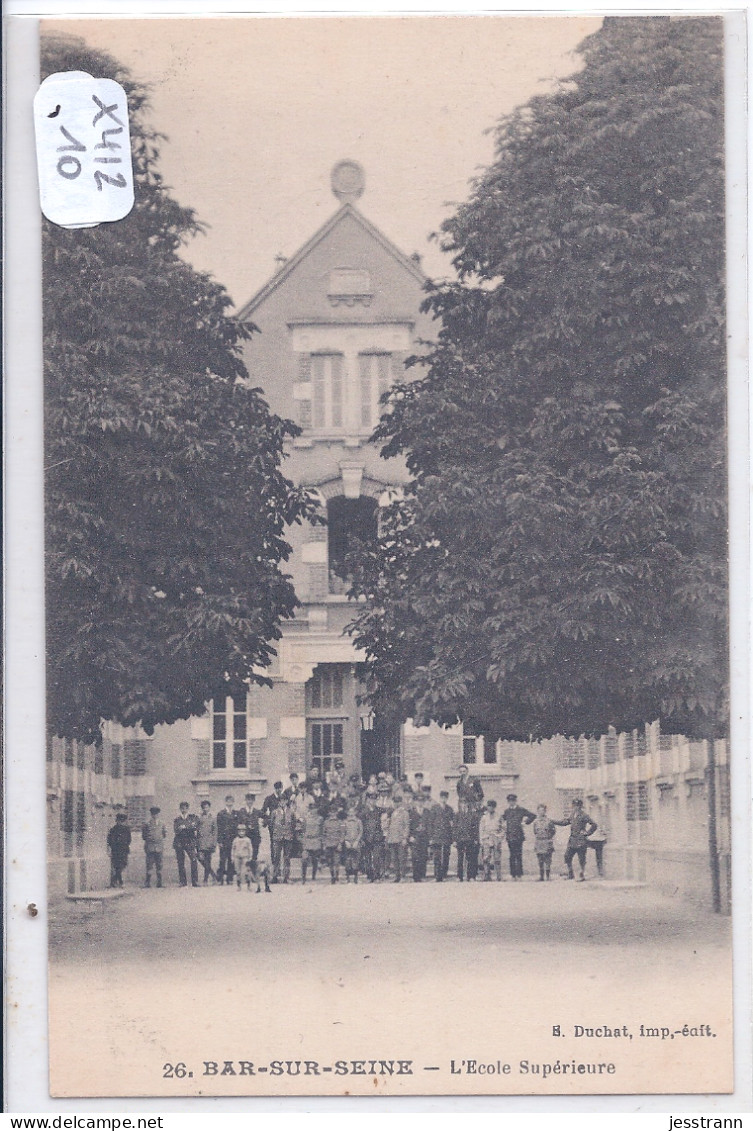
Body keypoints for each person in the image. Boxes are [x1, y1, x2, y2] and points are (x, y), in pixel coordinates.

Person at [557, 799, 598, 881]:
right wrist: (554, 822)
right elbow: (565, 822)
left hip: (581, 840)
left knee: (581, 858)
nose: (576, 808)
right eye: (574, 806)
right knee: (567, 856)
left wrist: (587, 833)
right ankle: (570, 873)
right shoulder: (572, 814)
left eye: (577, 806)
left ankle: (582, 875)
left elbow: (594, 825)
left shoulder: (584, 815)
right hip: (572, 840)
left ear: (580, 806)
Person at [502, 793, 536, 880]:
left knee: (518, 855)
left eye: (513, 801)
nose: (511, 802)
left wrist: (525, 822)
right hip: (510, 836)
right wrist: (503, 826)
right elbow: (502, 819)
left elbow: (532, 816)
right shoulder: (506, 811)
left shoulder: (521, 810)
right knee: (512, 855)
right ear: (508, 802)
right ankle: (513, 875)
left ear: (515, 801)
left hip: (519, 836)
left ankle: (519, 874)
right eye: (510, 801)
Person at [429, 790, 454, 882]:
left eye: (445, 798)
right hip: (436, 836)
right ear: (440, 798)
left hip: (447, 836)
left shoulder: (450, 809)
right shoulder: (434, 808)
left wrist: (452, 837)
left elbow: (452, 824)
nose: (444, 799)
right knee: (437, 856)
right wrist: (431, 837)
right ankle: (437, 875)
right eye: (442, 797)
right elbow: (431, 823)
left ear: (447, 798)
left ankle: (444, 874)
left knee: (446, 855)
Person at [173, 801, 199, 887]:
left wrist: (184, 827)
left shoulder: (192, 817)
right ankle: (183, 881)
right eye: (182, 808)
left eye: (185, 808)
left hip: (189, 841)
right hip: (179, 842)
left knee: (194, 860)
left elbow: (194, 826)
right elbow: (176, 830)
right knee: (180, 862)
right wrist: (187, 827)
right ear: (180, 809)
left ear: (188, 809)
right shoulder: (177, 819)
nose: (184, 810)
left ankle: (195, 881)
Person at [360, 791, 384, 882]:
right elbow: (361, 825)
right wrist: (362, 838)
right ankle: (370, 876)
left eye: (374, 799)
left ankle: (377, 875)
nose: (372, 801)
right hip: (366, 838)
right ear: (367, 800)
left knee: (377, 857)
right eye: (371, 799)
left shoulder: (379, 810)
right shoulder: (363, 811)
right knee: (367, 858)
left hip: (377, 837)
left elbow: (388, 811)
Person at [454, 798, 479, 882]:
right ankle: (459, 876)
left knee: (470, 858)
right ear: (460, 805)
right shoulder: (457, 815)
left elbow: (475, 828)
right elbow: (454, 828)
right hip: (460, 839)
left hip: (470, 839)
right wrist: (454, 840)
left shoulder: (472, 815)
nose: (464, 805)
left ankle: (470, 876)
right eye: (462, 803)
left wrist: (475, 839)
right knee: (460, 858)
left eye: (465, 803)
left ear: (468, 804)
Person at [386, 793, 410, 882]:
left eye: (398, 802)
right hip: (393, 839)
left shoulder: (405, 813)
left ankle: (403, 876)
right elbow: (390, 826)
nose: (396, 804)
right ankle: (397, 876)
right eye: (395, 802)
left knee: (402, 858)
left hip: (400, 839)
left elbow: (406, 826)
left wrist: (404, 838)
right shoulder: (392, 813)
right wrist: (389, 838)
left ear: (401, 803)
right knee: (394, 859)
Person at [236, 792, 263, 873]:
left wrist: (262, 824)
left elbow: (267, 818)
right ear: (246, 801)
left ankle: (253, 874)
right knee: (245, 856)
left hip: (255, 837)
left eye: (251, 800)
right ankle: (245, 874)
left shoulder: (257, 811)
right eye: (248, 800)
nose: (250, 802)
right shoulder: (241, 811)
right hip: (245, 838)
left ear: (253, 801)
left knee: (254, 856)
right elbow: (238, 823)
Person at [141, 805, 167, 888]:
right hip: (150, 847)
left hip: (159, 847)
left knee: (159, 865)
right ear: (151, 814)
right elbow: (144, 836)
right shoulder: (147, 824)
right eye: (153, 814)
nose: (155, 815)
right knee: (149, 865)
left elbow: (164, 834)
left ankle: (159, 883)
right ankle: (147, 883)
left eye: (156, 814)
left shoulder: (162, 824)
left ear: (158, 814)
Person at [479, 799, 504, 881]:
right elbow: (481, 829)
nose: (490, 808)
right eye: (489, 806)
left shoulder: (499, 816)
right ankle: (487, 875)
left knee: (497, 858)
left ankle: (499, 876)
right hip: (487, 838)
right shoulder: (484, 817)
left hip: (496, 838)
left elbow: (503, 828)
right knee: (486, 858)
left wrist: (500, 837)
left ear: (494, 807)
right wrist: (482, 840)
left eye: (492, 806)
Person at [409, 793, 431, 882]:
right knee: (415, 856)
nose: (420, 803)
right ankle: (416, 876)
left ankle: (422, 875)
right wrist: (410, 836)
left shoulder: (427, 812)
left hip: (424, 837)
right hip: (415, 837)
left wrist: (429, 837)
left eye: (422, 801)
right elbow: (409, 825)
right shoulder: (412, 812)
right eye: (418, 801)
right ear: (415, 802)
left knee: (423, 856)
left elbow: (429, 825)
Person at [216, 795, 238, 885]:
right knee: (222, 860)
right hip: (224, 840)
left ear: (233, 802)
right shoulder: (221, 813)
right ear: (225, 802)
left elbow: (237, 827)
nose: (230, 803)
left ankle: (229, 878)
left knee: (231, 859)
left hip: (232, 840)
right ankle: (220, 879)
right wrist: (219, 841)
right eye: (228, 801)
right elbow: (219, 828)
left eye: (231, 801)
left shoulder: (236, 813)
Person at [532, 804, 557, 881]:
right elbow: (535, 831)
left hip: (547, 841)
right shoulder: (535, 822)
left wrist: (548, 837)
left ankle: (548, 876)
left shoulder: (549, 821)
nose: (541, 812)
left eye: (542, 810)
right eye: (539, 810)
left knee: (548, 860)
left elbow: (553, 831)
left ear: (545, 811)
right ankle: (541, 876)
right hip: (539, 841)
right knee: (540, 860)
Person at [322, 804, 345, 884]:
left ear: (336, 813)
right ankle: (332, 877)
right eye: (331, 812)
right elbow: (323, 834)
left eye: (334, 812)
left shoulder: (340, 822)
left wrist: (340, 843)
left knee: (337, 861)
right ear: (329, 813)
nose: (333, 814)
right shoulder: (326, 822)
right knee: (330, 862)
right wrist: (324, 844)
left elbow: (342, 834)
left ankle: (337, 876)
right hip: (328, 844)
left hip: (336, 844)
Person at [107, 812, 131, 888]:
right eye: (119, 821)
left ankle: (115, 880)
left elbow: (129, 840)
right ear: (116, 821)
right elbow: (110, 840)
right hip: (116, 850)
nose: (120, 822)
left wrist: (125, 845)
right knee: (117, 866)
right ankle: (120, 881)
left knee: (123, 864)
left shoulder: (126, 829)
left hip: (124, 850)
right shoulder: (113, 829)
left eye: (122, 821)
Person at [301, 801, 323, 883]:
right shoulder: (305, 819)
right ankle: (303, 878)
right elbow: (302, 830)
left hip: (316, 840)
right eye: (312, 809)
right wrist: (303, 839)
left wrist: (320, 841)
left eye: (315, 809)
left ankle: (314, 876)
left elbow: (322, 830)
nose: (313, 810)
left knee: (315, 860)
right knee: (304, 859)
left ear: (317, 809)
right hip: (307, 841)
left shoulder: (320, 819)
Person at [197, 799, 218, 884]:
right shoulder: (199, 818)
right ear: (202, 808)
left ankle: (205, 880)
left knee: (208, 861)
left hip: (209, 843)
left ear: (209, 808)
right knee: (201, 859)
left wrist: (214, 842)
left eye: (207, 807)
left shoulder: (213, 818)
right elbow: (197, 830)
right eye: (204, 807)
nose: (205, 809)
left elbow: (215, 831)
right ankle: (213, 875)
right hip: (201, 842)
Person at [343, 799, 363, 882]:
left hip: (356, 842)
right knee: (348, 860)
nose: (351, 814)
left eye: (353, 812)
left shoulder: (358, 821)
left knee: (356, 859)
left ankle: (355, 877)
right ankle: (348, 878)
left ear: (355, 813)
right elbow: (342, 832)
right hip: (347, 842)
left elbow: (360, 832)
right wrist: (346, 841)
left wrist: (357, 841)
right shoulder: (344, 822)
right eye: (349, 812)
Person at [231, 823, 253, 890]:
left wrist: (250, 857)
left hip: (245, 857)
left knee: (246, 871)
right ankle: (238, 886)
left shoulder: (247, 840)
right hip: (237, 856)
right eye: (240, 831)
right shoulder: (235, 840)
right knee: (238, 871)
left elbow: (250, 849)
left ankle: (248, 885)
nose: (241, 833)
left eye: (243, 831)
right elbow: (233, 849)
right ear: (238, 832)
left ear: (245, 832)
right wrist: (232, 857)